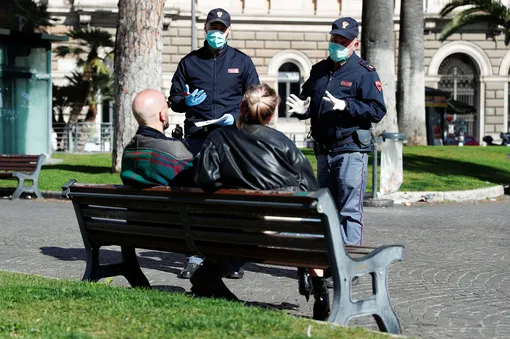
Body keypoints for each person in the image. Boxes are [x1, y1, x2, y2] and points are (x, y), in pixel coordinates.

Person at [191, 83, 330, 320]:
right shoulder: (283, 143)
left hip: (233, 231)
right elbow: (311, 190)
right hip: (281, 233)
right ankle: (319, 290)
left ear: (241, 107)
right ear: (271, 115)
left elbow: (205, 179)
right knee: (309, 229)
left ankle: (209, 279)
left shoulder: (218, 138)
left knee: (237, 233)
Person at [286, 17, 387, 287]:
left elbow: (377, 110)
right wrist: (302, 112)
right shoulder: (319, 70)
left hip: (350, 149)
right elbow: (311, 102)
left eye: (343, 41)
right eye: (334, 39)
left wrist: (347, 107)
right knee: (327, 209)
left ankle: (349, 268)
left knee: (349, 210)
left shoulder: (364, 72)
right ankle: (331, 262)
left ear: (354, 43)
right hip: (324, 150)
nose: (337, 45)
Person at [168, 7, 260, 279]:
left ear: (228, 31)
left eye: (221, 29)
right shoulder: (189, 62)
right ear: (205, 29)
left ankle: (230, 258)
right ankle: (195, 256)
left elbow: (255, 99)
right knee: (196, 198)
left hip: (230, 139)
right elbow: (173, 99)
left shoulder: (242, 62)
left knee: (229, 198)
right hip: (197, 139)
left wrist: (235, 116)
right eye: (212, 28)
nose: (216, 33)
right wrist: (186, 102)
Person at [120, 89, 194, 188]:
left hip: (136, 203)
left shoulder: (128, 151)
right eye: (167, 105)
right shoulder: (175, 151)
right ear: (162, 114)